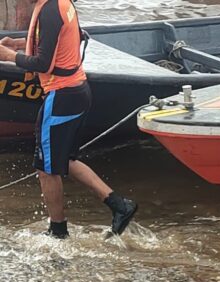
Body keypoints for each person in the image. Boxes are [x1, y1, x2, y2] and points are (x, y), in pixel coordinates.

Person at [0, 0, 137, 239]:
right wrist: (19, 44)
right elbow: (54, 42)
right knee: (66, 160)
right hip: (76, 92)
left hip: (62, 96)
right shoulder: (61, 4)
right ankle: (120, 205)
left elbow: (43, 63)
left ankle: (58, 230)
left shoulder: (51, 9)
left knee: (46, 168)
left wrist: (10, 55)